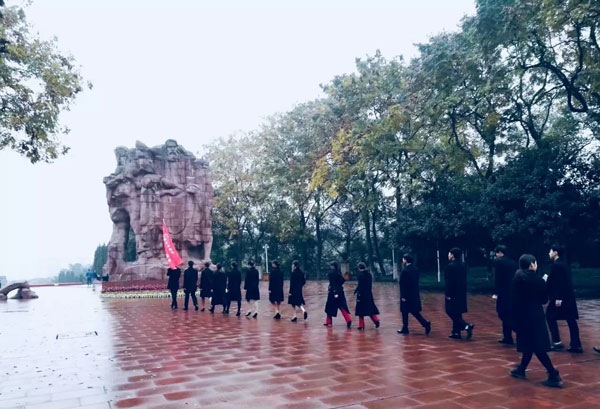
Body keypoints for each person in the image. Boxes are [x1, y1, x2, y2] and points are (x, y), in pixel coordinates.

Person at [509, 254, 562, 387]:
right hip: (535, 315)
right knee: (537, 345)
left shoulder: (517, 279)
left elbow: (514, 300)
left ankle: (524, 369)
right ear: (532, 264)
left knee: (530, 344)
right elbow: (544, 300)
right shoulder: (539, 280)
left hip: (522, 316)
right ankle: (552, 374)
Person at [546, 245, 582, 353]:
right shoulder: (563, 264)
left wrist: (558, 299)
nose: (549, 253)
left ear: (555, 252)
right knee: (571, 320)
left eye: (550, 251)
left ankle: (557, 342)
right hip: (567, 297)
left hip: (560, 298)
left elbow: (559, 283)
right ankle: (576, 344)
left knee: (550, 316)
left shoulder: (556, 265)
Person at [445, 247, 474, 340]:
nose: (448, 255)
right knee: (457, 312)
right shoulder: (463, 265)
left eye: (449, 253)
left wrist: (448, 294)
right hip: (461, 292)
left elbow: (449, 282)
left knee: (450, 311)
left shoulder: (450, 266)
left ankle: (466, 326)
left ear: (452, 255)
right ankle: (456, 332)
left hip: (453, 293)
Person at [398, 254, 431, 335]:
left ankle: (405, 327)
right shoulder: (415, 269)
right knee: (415, 312)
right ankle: (425, 324)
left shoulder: (405, 270)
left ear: (406, 260)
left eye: (403, 259)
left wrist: (403, 296)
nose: (402, 261)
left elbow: (403, 284)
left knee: (405, 312)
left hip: (406, 295)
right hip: (414, 294)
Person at [493, 245, 518, 345]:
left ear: (500, 252)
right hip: (513, 292)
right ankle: (507, 336)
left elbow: (498, 278)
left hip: (503, 292)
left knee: (502, 313)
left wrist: (496, 292)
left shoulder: (499, 262)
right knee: (508, 313)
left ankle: (517, 331)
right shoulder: (513, 262)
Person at [324, 262, 352, 328]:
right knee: (342, 307)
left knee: (329, 307)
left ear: (333, 266)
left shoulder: (331, 274)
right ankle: (348, 319)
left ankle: (329, 322)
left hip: (332, 292)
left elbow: (332, 283)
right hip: (340, 292)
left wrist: (333, 290)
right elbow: (341, 282)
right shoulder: (339, 273)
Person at [354, 262, 380, 330]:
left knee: (360, 310)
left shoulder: (360, 275)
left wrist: (357, 292)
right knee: (369, 309)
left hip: (362, 294)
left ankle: (361, 325)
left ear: (359, 268)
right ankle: (376, 320)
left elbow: (360, 285)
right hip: (368, 294)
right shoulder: (369, 274)